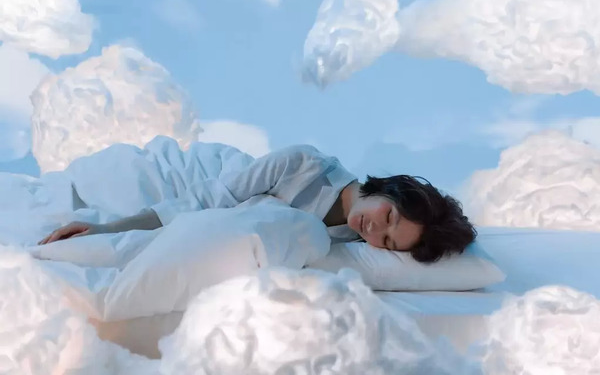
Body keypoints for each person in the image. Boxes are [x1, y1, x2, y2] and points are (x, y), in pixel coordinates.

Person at [38, 144, 477, 262]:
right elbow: (207, 198)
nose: (376, 231)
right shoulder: (303, 164)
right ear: (391, 190)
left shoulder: (353, 243)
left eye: (391, 243)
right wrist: (109, 230)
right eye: (390, 217)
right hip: (209, 183)